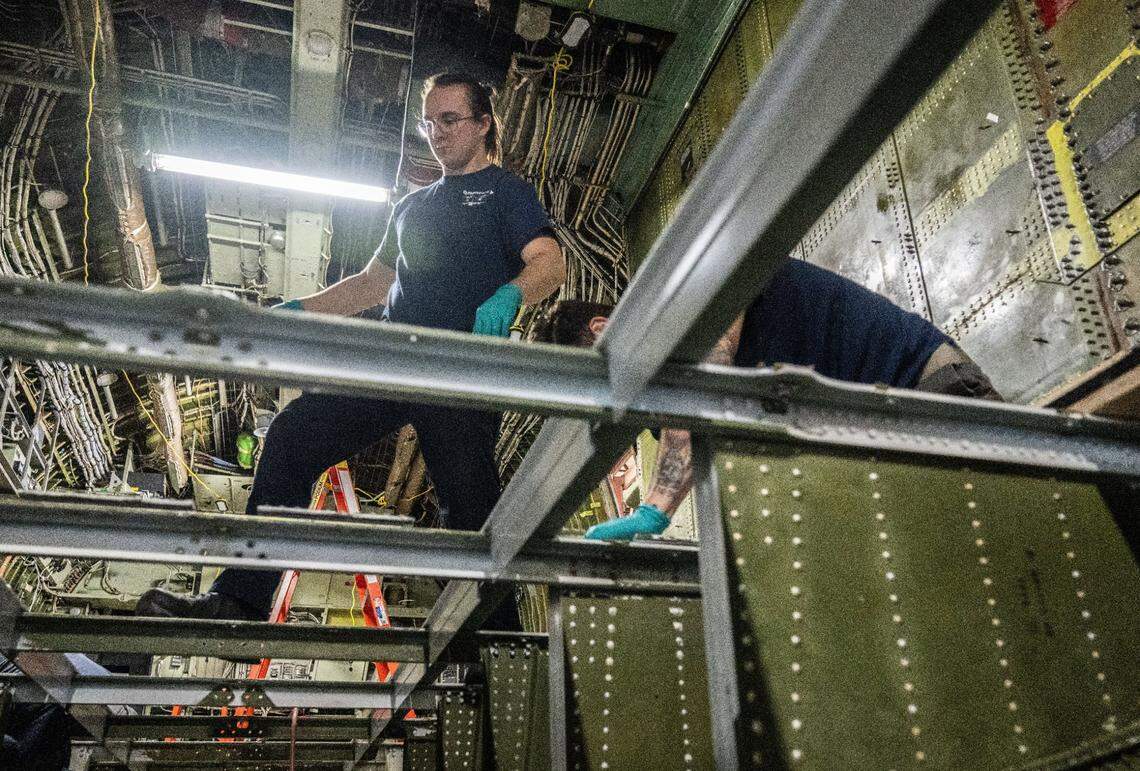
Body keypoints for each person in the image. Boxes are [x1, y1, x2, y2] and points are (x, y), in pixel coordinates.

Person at [137, 71, 565, 624]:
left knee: (473, 516)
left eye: (450, 120)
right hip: (391, 363)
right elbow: (372, 283)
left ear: (484, 124)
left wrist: (509, 297)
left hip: (461, 372)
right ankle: (241, 598)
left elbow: (549, 263)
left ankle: (504, 654)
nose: (436, 133)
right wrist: (295, 312)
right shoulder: (413, 207)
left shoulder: (508, 193)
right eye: (428, 122)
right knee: (292, 437)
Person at [535, 259, 1001, 541]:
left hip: (922, 387)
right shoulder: (669, 419)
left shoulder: (680, 295)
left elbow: (704, 380)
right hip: (879, 449)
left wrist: (655, 506)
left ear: (601, 330)